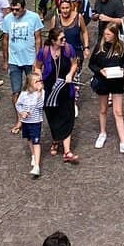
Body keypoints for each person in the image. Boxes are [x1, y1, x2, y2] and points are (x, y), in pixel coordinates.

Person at [88, 23, 124, 154]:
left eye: (109, 34)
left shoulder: (121, 46)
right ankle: (102, 133)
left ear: (115, 35)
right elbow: (91, 64)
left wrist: (123, 69)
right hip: (103, 81)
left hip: (117, 81)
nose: (106, 36)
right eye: (105, 34)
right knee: (103, 109)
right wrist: (100, 71)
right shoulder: (100, 46)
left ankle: (123, 142)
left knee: (118, 112)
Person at [37, 27, 79, 163]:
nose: (64, 40)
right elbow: (37, 67)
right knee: (53, 117)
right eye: (61, 39)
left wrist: (70, 74)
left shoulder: (68, 49)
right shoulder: (44, 52)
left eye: (64, 38)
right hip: (50, 90)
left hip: (66, 89)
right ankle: (55, 140)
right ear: (53, 41)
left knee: (68, 116)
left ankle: (67, 151)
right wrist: (39, 80)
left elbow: (74, 64)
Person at [3, 0, 45, 135]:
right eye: (12, 9)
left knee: (31, 90)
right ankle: (20, 118)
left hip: (29, 59)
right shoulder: (8, 19)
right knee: (15, 91)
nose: (14, 12)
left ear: (23, 8)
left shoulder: (33, 18)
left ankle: (33, 115)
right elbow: (5, 39)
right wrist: (5, 60)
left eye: (17, 10)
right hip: (14, 60)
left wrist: (37, 60)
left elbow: (38, 38)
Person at [16, 68, 45, 177]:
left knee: (36, 142)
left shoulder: (41, 93)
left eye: (40, 81)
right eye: (36, 81)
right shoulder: (24, 94)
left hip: (36, 121)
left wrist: (38, 95)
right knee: (29, 139)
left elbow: (40, 106)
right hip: (25, 121)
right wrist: (22, 112)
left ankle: (37, 166)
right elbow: (18, 104)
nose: (39, 83)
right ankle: (33, 154)